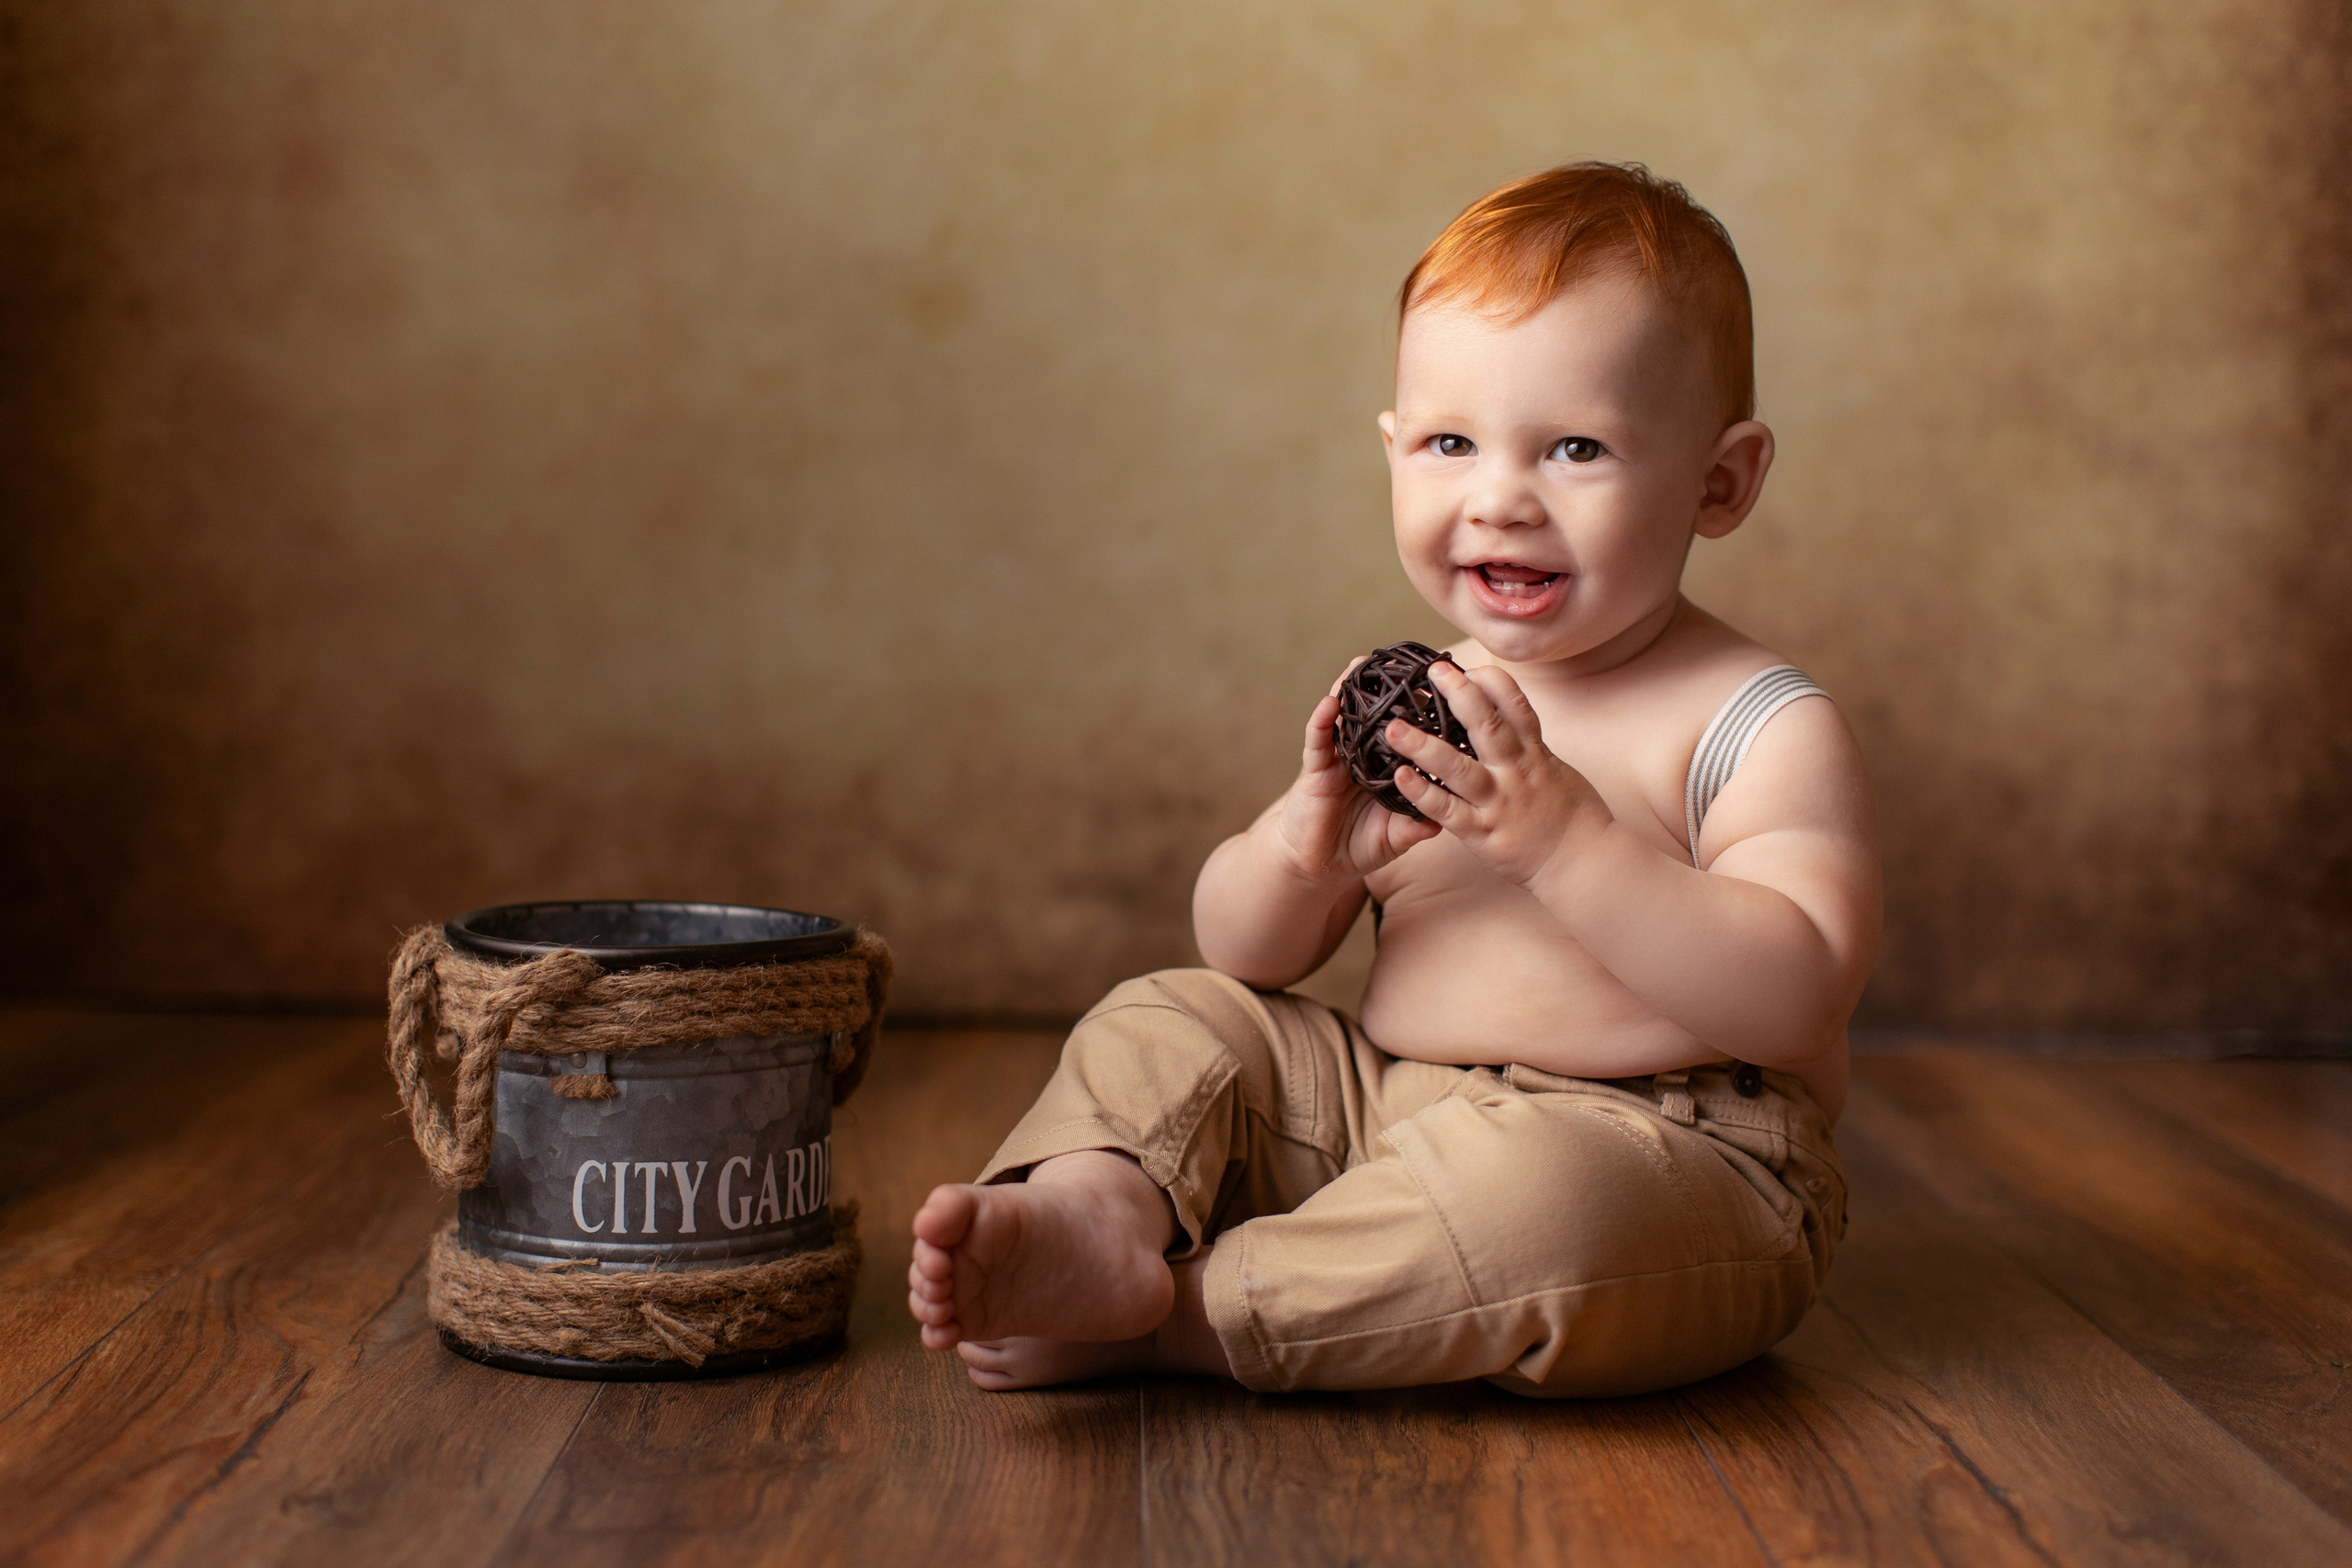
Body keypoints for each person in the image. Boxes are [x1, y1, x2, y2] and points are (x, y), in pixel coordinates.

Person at [906, 163, 1881, 1397]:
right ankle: (1099, 1216)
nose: (1499, 498)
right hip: (1384, 1111)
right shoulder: (1424, 699)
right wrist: (1305, 851)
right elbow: (1248, 953)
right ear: (1393, 449)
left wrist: (1567, 843)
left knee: (1542, 1214)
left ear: (1720, 480)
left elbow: (1797, 996)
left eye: (1575, 447)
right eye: (1450, 443)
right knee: (1173, 1016)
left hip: (1675, 1154)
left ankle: (1179, 1315)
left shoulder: (1755, 723)